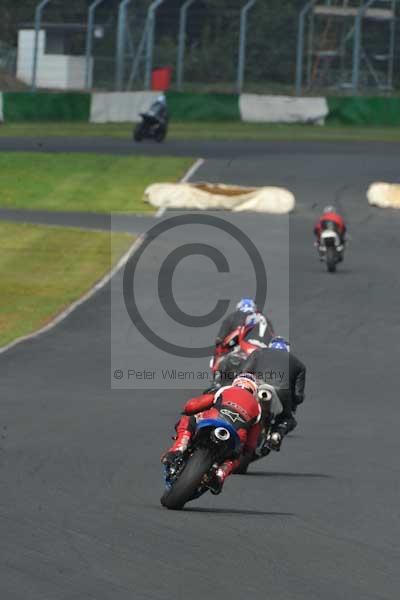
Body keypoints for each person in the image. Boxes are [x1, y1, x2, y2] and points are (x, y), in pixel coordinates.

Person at [161, 374, 262, 495]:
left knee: (189, 419)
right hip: (235, 434)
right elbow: (251, 444)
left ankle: (178, 448)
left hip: (214, 421)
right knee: (235, 457)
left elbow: (193, 406)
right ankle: (220, 474)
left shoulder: (226, 389)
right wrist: (244, 451)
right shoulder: (258, 408)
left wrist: (188, 410)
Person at [241, 336, 306, 452]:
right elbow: (298, 397)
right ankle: (276, 434)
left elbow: (243, 373)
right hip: (281, 393)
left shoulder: (258, 352)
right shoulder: (299, 365)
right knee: (287, 419)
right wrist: (295, 399)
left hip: (258, 387)